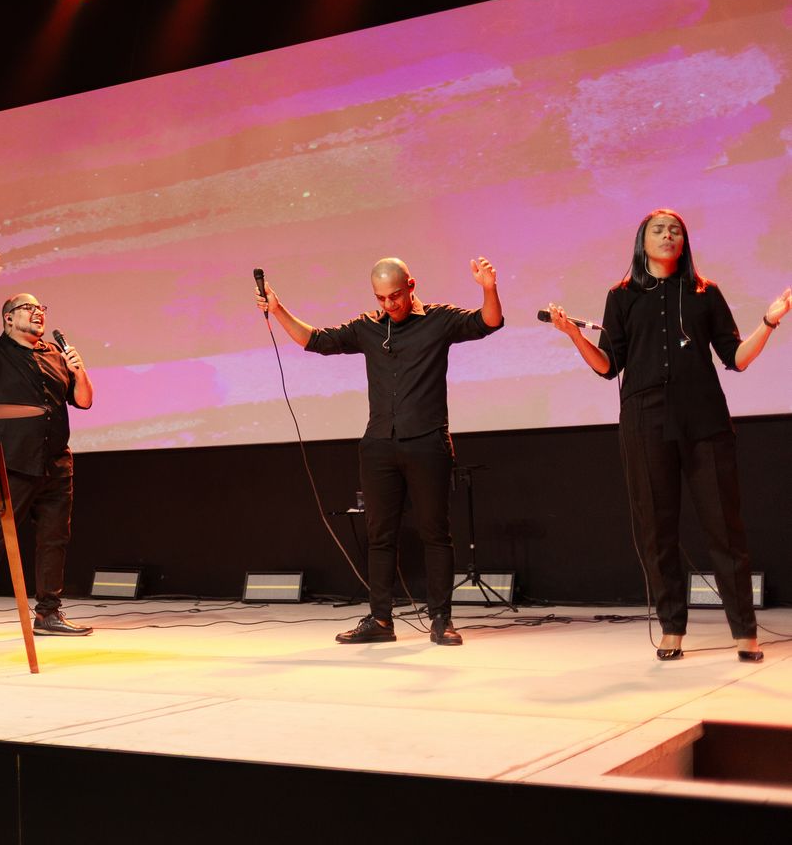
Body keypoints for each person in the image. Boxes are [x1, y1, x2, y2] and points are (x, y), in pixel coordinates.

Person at [549, 208, 790, 663]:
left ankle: (745, 631)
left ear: (684, 241)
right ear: (642, 241)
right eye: (658, 230)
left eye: (675, 230)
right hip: (645, 420)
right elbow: (608, 366)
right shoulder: (621, 296)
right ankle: (672, 628)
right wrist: (572, 335)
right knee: (656, 531)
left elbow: (736, 358)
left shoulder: (705, 292)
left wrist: (770, 320)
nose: (667, 235)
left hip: (704, 419)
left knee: (724, 527)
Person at [257, 257, 503, 645]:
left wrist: (489, 288)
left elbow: (487, 323)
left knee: (435, 534)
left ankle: (441, 620)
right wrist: (278, 309)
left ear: (411, 285)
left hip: (427, 442)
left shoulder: (438, 320)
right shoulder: (368, 327)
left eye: (395, 296)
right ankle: (381, 620)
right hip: (378, 446)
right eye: (381, 298)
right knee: (380, 537)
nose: (389, 305)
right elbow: (315, 341)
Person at [0, 250, 96, 638]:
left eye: (41, 308)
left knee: (54, 540)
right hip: (10, 461)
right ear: (9, 318)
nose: (38, 312)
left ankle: (48, 614)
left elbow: (83, 401)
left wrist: (79, 371)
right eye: (28, 308)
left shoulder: (55, 355)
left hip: (56, 463)